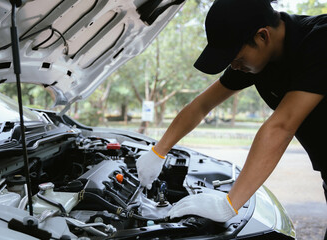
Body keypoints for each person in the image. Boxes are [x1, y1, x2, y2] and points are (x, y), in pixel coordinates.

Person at [136, 0, 327, 232]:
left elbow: (282, 127)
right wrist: (158, 151)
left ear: (262, 36)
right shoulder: (261, 59)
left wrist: (230, 203)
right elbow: (201, 105)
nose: (233, 66)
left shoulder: (320, 41)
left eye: (235, 57)